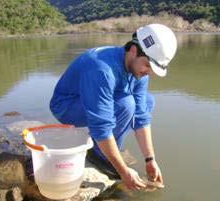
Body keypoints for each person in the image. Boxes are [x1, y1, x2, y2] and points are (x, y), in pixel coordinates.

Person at [50, 23, 177, 190]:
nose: (149, 72)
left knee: (147, 102)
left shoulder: (138, 68)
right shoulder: (101, 68)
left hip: (96, 98)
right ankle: (99, 154)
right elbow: (101, 126)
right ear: (133, 50)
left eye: (152, 68)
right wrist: (123, 171)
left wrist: (150, 159)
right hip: (67, 106)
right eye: (147, 65)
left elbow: (141, 116)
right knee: (126, 104)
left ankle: (110, 147)